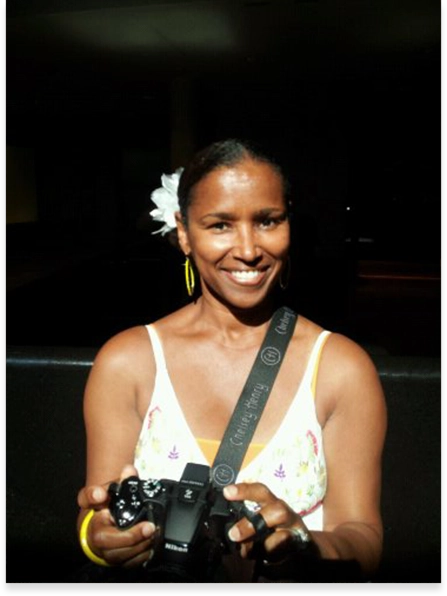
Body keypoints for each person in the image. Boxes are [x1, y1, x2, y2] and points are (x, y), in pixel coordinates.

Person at [76, 138, 387, 583]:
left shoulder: (340, 368)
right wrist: (99, 539)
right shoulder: (128, 362)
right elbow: (95, 514)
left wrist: (303, 544)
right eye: (220, 225)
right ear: (183, 232)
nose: (247, 250)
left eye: (267, 221)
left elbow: (364, 539)